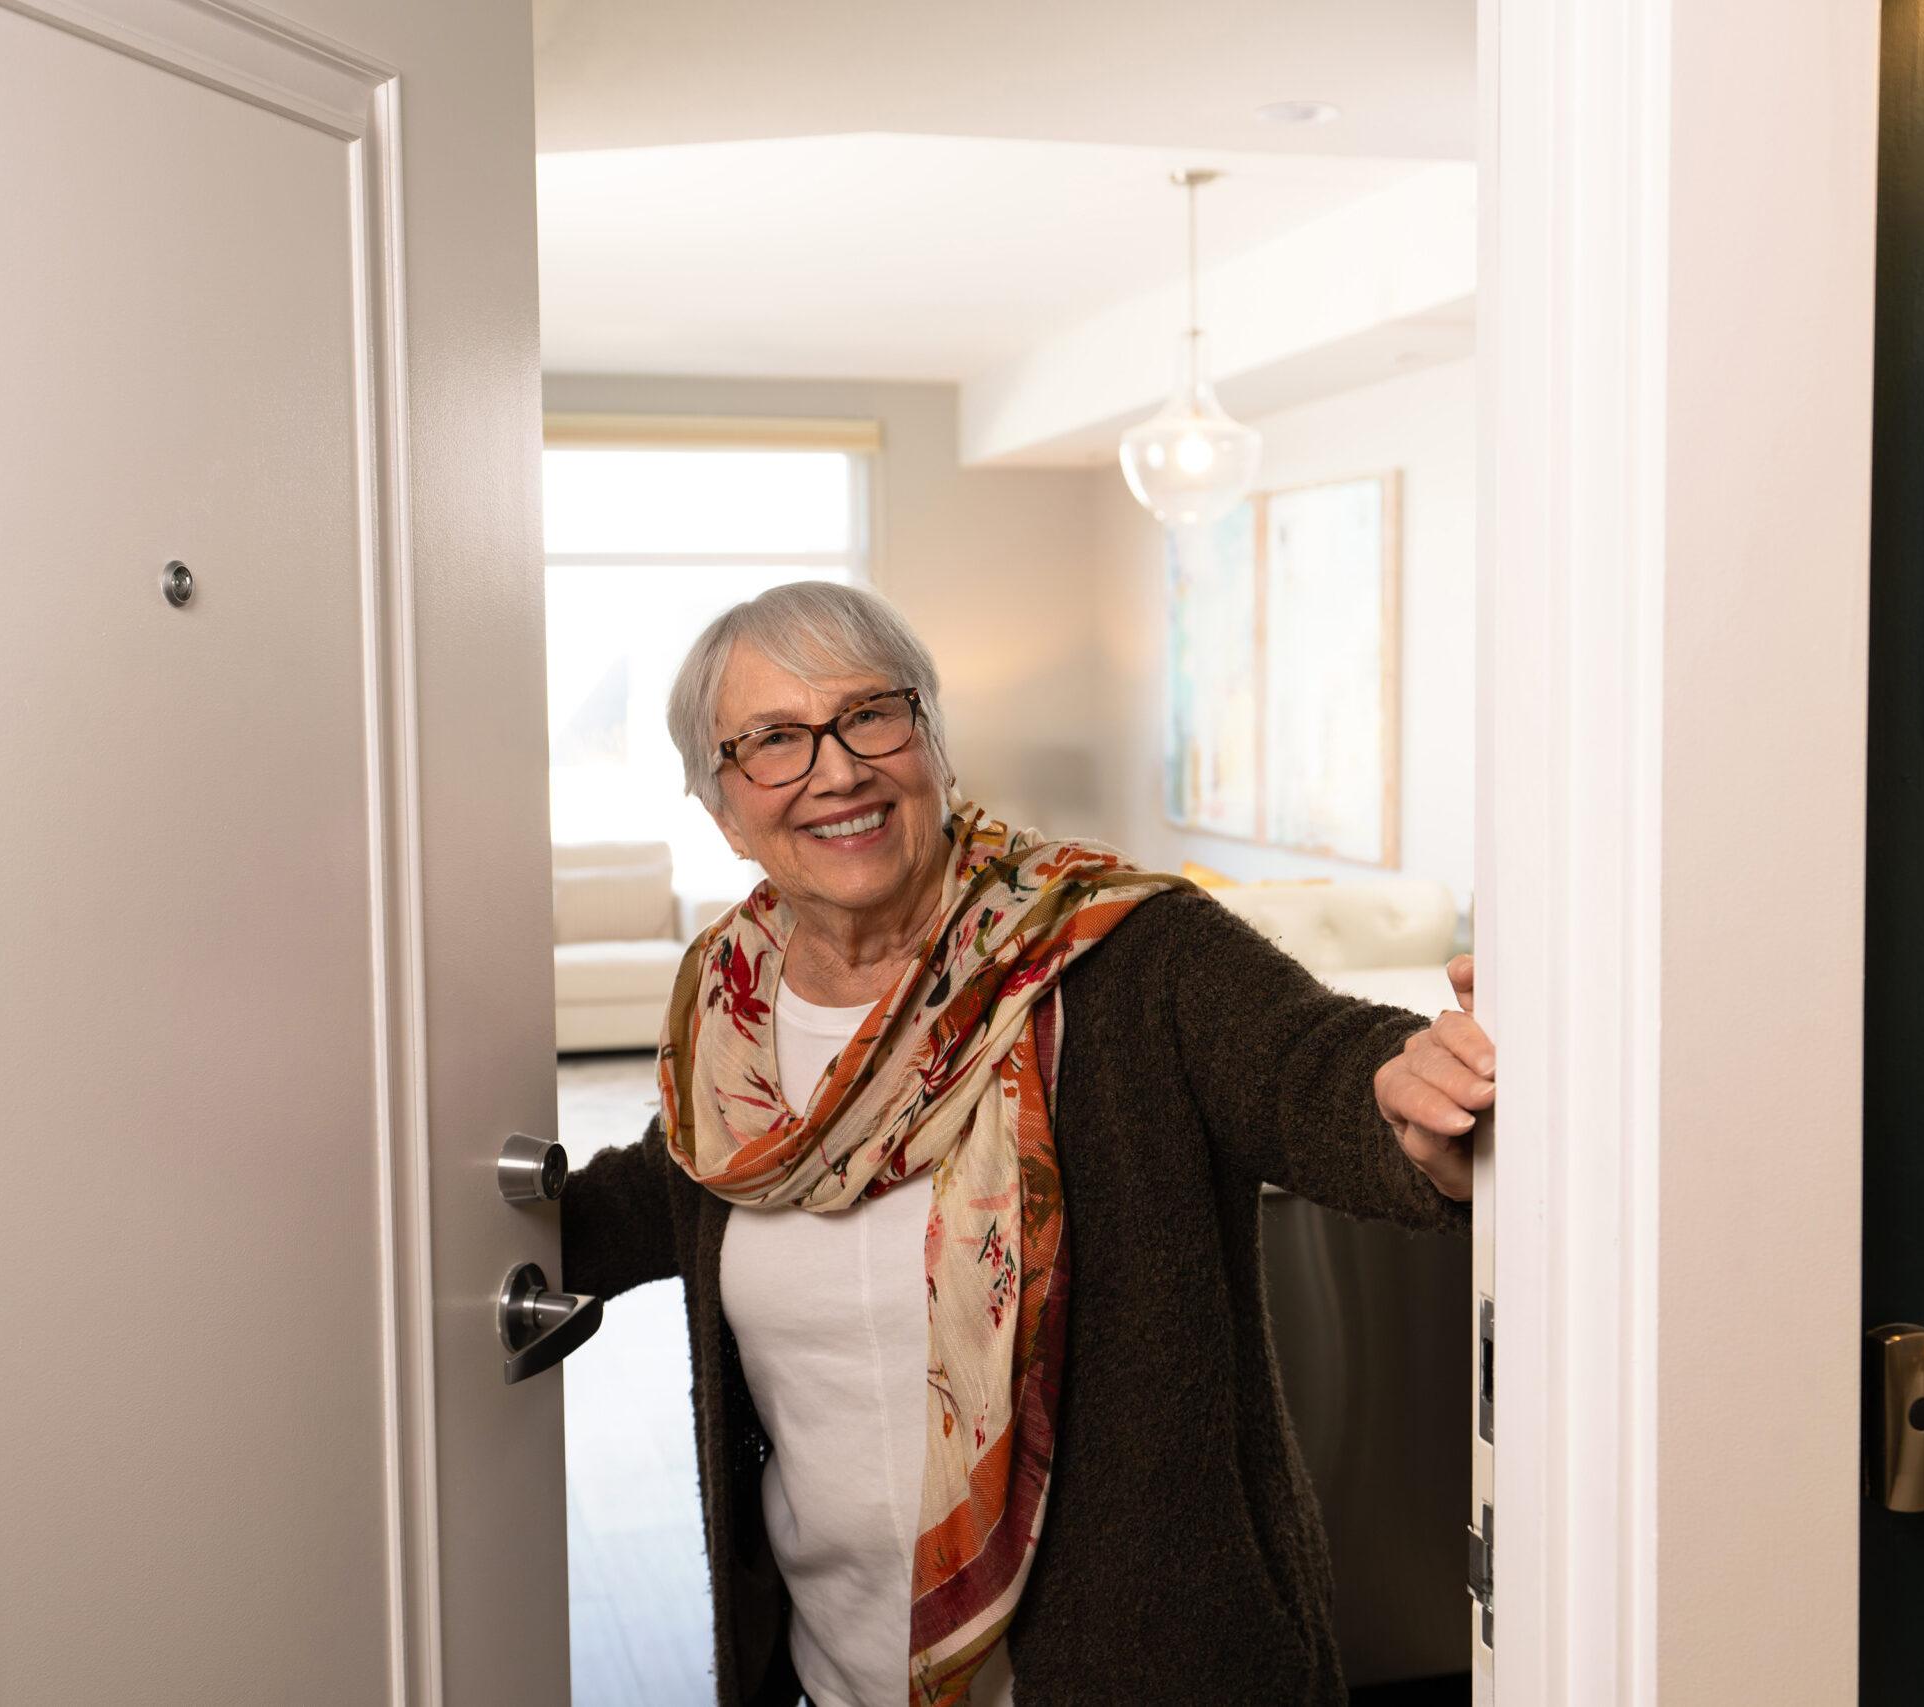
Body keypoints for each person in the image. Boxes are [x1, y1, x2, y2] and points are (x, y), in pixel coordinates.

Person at [559, 581, 1495, 1707]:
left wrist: (1410, 1100)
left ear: (933, 742)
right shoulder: (729, 1003)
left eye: (872, 714)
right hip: (839, 1666)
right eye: (772, 742)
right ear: (722, 808)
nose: (838, 769)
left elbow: (1308, 1064)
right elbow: (677, 1182)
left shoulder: (1120, 950)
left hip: (1139, 1665)